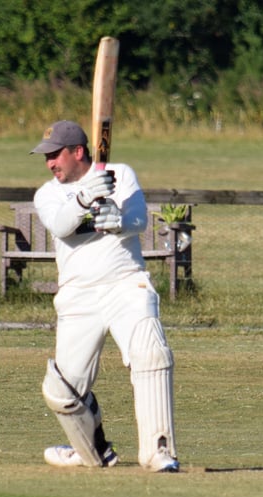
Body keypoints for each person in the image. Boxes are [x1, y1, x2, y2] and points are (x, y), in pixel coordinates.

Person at [30, 120, 179, 472]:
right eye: (46, 157)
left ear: (77, 151)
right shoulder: (47, 194)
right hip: (77, 294)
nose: (50, 163)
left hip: (125, 283)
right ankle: (91, 453)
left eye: (55, 155)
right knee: (62, 390)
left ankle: (158, 451)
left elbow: (140, 220)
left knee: (150, 354)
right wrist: (85, 197)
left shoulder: (119, 173)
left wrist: (118, 220)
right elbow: (62, 225)